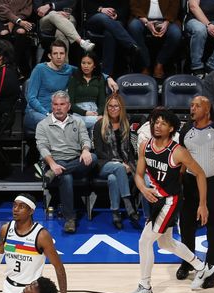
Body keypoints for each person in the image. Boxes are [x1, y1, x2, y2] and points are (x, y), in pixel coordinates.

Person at [125, 107, 214, 293]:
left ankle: (145, 287)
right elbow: (138, 175)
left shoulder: (178, 152)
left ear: (171, 128)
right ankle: (202, 267)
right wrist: (143, 189)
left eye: (163, 123)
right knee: (165, 242)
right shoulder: (145, 146)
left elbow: (200, 174)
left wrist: (202, 204)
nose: (157, 126)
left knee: (145, 241)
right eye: (155, 122)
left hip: (170, 200)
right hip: (156, 199)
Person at [176, 95, 214, 288]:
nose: (192, 109)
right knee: (187, 226)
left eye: (196, 106)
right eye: (191, 105)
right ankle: (187, 262)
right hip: (190, 182)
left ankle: (211, 270)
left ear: (206, 109)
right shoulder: (186, 129)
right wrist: (178, 184)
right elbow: (180, 159)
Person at [35, 90, 98, 233]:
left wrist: (86, 150)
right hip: (54, 161)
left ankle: (58, 171)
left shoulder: (78, 121)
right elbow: (42, 147)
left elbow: (84, 139)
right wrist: (52, 164)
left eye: (62, 104)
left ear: (68, 106)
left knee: (93, 158)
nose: (58, 107)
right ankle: (70, 219)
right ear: (52, 106)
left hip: (76, 161)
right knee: (66, 176)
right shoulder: (43, 125)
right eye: (55, 104)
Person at [92, 93, 140, 228]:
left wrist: (130, 164)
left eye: (116, 106)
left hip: (123, 165)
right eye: (110, 106)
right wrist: (119, 163)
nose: (113, 109)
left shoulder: (125, 124)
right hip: (103, 164)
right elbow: (99, 152)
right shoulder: (99, 125)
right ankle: (129, 206)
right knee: (118, 168)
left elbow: (129, 149)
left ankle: (115, 213)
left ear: (121, 108)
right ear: (106, 108)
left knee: (113, 179)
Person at [127, 0, 182, 79]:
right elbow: (134, 6)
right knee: (134, 27)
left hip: (166, 20)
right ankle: (145, 65)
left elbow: (174, 7)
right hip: (142, 19)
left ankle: (159, 64)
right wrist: (146, 22)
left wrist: (166, 22)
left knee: (175, 34)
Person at [83, 0, 140, 75]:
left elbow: (125, 8)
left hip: (115, 20)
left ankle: (106, 74)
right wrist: (101, 9)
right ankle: (130, 44)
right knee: (103, 17)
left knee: (109, 33)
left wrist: (116, 14)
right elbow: (86, 5)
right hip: (96, 18)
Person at [0, 0, 37, 78]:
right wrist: (16, 20)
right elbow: (1, 8)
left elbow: (26, 11)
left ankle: (14, 65)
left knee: (21, 32)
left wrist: (14, 22)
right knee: (4, 33)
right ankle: (5, 67)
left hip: (20, 19)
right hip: (0, 18)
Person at [67, 51, 106, 131]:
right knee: (78, 123)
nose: (86, 66)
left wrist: (97, 113)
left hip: (94, 112)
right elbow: (70, 103)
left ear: (94, 65)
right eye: (83, 63)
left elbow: (102, 103)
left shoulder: (100, 78)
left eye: (89, 63)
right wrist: (85, 113)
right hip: (78, 113)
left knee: (100, 125)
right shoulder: (74, 78)